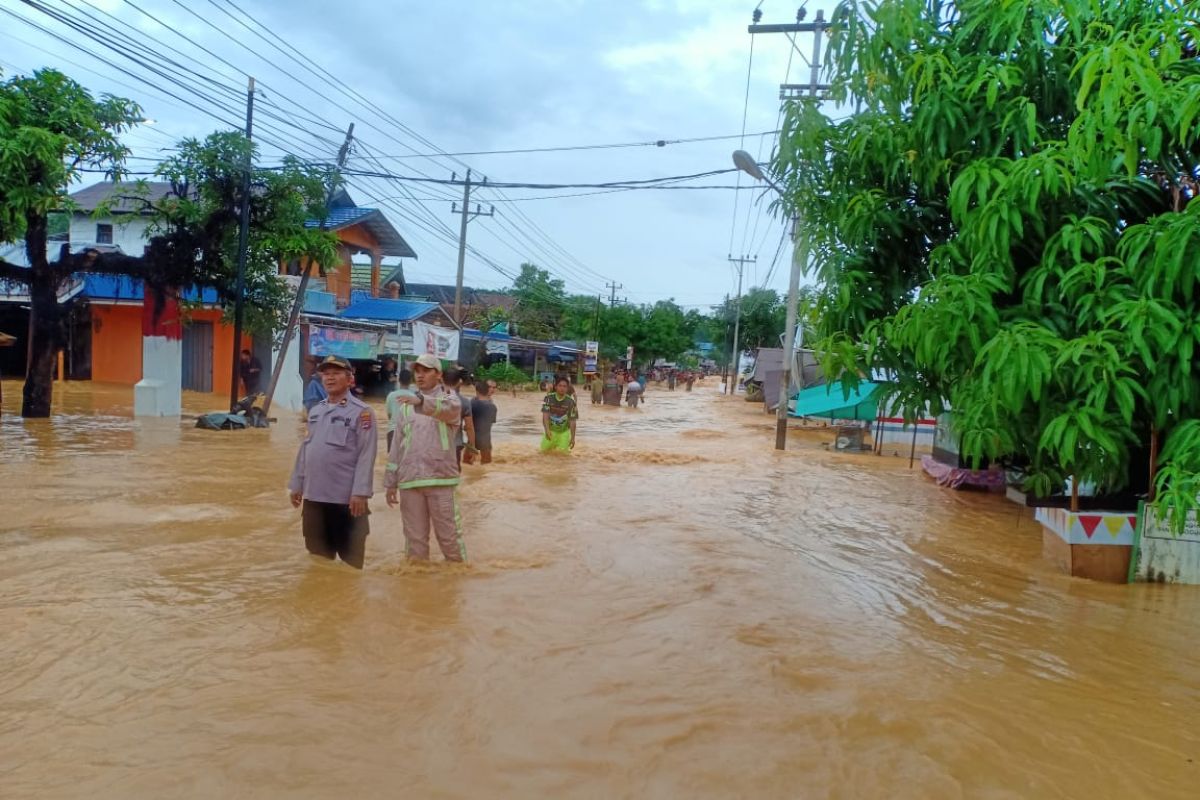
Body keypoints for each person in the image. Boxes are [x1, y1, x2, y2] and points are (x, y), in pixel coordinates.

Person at [288, 355, 377, 569]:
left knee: (350, 567)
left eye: (336, 373)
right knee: (319, 563)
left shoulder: (362, 412)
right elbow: (306, 448)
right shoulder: (316, 411)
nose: (329, 378)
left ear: (349, 379)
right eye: (326, 374)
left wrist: (360, 492)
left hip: (346, 501)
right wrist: (297, 484)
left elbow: (367, 453)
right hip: (314, 499)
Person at [384, 354, 467, 562]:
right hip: (410, 480)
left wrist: (420, 400)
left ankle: (454, 588)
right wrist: (391, 482)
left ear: (438, 374)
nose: (420, 375)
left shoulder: (450, 400)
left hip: (440, 479)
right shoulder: (404, 406)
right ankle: (417, 589)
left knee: (450, 540)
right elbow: (397, 446)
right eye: (417, 371)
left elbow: (447, 410)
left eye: (426, 370)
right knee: (415, 544)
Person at [443, 366, 476, 467]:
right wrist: (472, 448)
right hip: (455, 445)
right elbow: (469, 428)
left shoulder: (432, 399)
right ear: (459, 382)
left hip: (434, 445)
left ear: (441, 380)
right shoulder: (465, 402)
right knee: (453, 476)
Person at [540, 375, 578, 453]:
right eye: (560, 386)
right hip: (550, 431)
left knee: (563, 457)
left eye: (564, 386)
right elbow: (545, 416)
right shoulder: (548, 398)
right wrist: (547, 430)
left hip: (563, 433)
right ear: (555, 387)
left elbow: (572, 421)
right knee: (542, 453)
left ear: (567, 388)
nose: (562, 388)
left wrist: (573, 438)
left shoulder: (571, 402)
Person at [385, 368, 416, 451]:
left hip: (392, 431)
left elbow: (389, 415)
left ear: (398, 380)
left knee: (392, 462)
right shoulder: (414, 398)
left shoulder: (391, 395)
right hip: (408, 433)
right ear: (411, 381)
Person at [470, 379, 498, 464]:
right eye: (490, 387)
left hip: (484, 437)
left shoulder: (491, 403)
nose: (492, 389)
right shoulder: (474, 401)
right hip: (476, 436)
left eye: (494, 387)